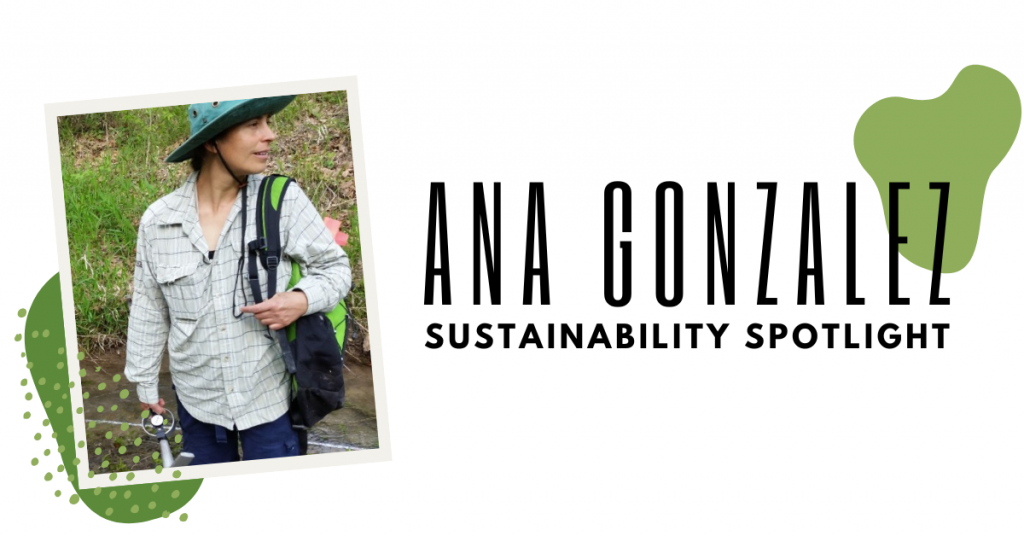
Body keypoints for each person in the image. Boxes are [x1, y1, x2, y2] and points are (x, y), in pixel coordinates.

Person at [125, 97, 352, 464]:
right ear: (213, 142)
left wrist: (301, 299)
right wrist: (145, 383)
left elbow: (336, 269)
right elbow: (150, 309)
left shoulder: (282, 201)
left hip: (268, 402)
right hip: (197, 405)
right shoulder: (159, 221)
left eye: (267, 122)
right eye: (253, 125)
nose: (270, 135)